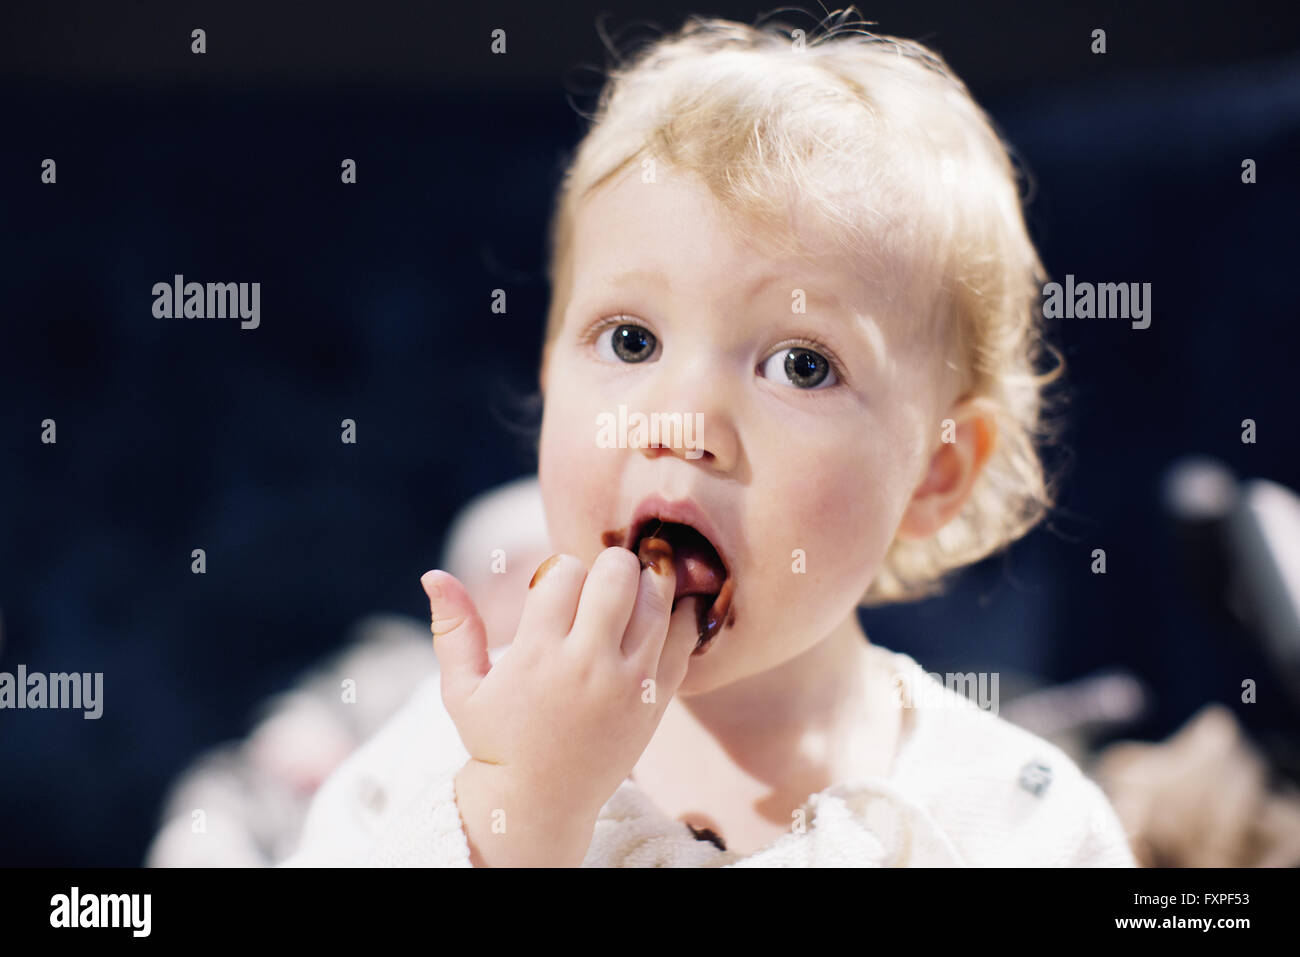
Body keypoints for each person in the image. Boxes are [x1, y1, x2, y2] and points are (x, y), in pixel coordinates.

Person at [282, 10, 1136, 867]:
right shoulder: (452, 751)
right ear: (549, 381)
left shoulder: (1016, 822)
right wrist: (518, 814)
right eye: (631, 340)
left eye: (802, 365)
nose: (682, 422)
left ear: (934, 472)